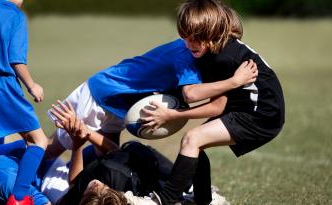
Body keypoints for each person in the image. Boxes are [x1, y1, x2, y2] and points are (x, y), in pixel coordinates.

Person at [142, 0, 285, 204]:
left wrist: (172, 115)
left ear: (212, 31)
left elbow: (212, 104)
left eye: (197, 38)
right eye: (185, 37)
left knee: (193, 139)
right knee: (195, 144)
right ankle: (203, 200)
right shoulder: (219, 47)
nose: (190, 44)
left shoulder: (221, 58)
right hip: (250, 108)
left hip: (260, 116)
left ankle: (165, 200)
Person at [45, 38, 258, 161]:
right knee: (53, 149)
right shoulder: (187, 57)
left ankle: (97, 192)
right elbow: (191, 94)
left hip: (121, 102)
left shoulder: (192, 50)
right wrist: (234, 81)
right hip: (103, 94)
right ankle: (22, 184)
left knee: (110, 156)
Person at [49, 102, 223, 205]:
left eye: (92, 191)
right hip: (143, 167)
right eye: (100, 189)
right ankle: (192, 190)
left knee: (35, 155)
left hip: (103, 160)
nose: (95, 186)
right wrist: (86, 135)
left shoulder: (93, 185)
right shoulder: (116, 178)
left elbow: (75, 184)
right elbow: (115, 153)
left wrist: (79, 141)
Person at [0, 0, 48, 204]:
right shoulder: (14, 15)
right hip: (2, 85)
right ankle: (20, 197)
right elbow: (16, 59)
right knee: (38, 140)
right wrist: (31, 85)